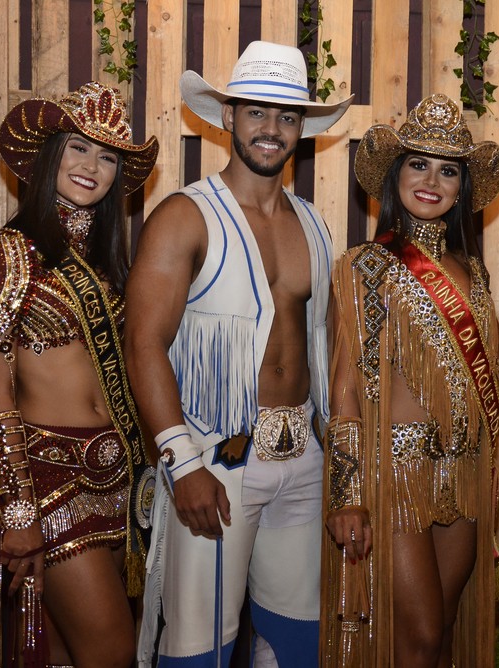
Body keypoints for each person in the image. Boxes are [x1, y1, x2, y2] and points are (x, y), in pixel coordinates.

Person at [123, 40, 353, 667]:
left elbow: (324, 351)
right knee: (199, 648)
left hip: (302, 456)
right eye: (256, 112)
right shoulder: (184, 216)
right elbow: (142, 343)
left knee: (298, 644)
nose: (270, 129)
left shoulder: (312, 223)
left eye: (285, 116)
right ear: (227, 118)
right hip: (215, 460)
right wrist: (181, 462)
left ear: (302, 129)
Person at [0, 82, 158, 668]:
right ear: (50, 158)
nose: (91, 166)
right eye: (77, 148)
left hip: (120, 484)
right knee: (114, 651)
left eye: (108, 157)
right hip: (51, 481)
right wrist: (18, 512)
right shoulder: (10, 252)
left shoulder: (109, 266)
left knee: (65, 655)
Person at [321, 93, 499, 668]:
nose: (432, 181)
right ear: (395, 176)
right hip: (396, 479)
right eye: (418, 164)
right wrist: (348, 495)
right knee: (421, 635)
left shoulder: (473, 272)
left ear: (461, 189)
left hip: (465, 475)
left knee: (443, 635)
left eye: (449, 170)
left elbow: (496, 368)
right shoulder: (362, 267)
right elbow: (345, 388)